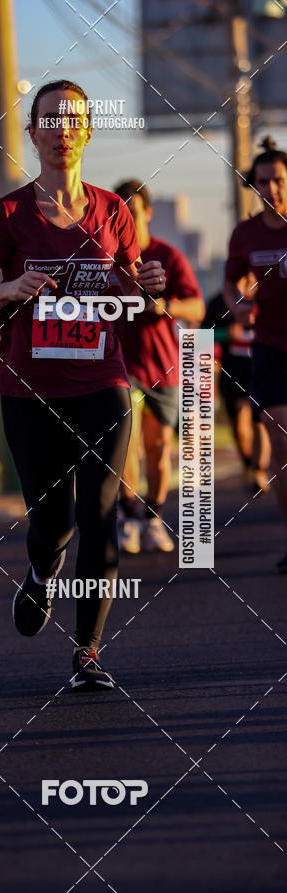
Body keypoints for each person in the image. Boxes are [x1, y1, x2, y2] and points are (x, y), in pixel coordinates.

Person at [0, 80, 166, 690]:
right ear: (33, 132)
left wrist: (148, 286)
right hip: (29, 390)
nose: (61, 128)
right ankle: (42, 573)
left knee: (99, 511)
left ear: (87, 130)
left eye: (73, 117)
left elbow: (134, 300)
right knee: (54, 524)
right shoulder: (10, 214)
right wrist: (8, 289)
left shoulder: (113, 212)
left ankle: (88, 652)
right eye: (49, 118)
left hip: (103, 382)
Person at [112, 180, 205, 554]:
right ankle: (130, 515)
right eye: (122, 215)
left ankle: (153, 518)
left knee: (157, 446)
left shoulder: (168, 255)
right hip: (120, 366)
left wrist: (163, 305)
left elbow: (197, 309)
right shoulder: (107, 257)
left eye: (134, 213)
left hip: (163, 367)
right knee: (126, 444)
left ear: (147, 213)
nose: (130, 221)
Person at [224, 136, 287, 574]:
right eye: (264, 182)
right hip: (270, 348)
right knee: (280, 441)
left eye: (280, 181)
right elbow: (231, 283)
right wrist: (238, 305)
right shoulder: (244, 234)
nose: (273, 189)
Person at [202, 288, 269, 494]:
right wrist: (224, 334)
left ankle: (259, 471)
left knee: (259, 421)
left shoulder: (268, 296)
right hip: (232, 371)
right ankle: (250, 465)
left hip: (263, 369)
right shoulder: (219, 302)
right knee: (239, 427)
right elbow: (203, 332)